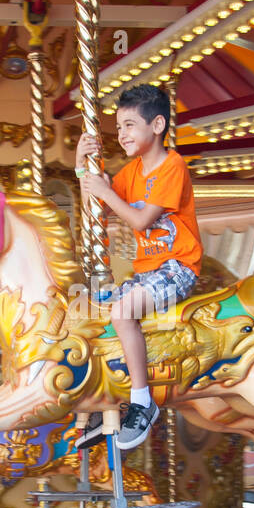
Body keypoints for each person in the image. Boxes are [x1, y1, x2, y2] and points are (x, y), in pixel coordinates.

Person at [76, 83, 202, 451]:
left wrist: (105, 190)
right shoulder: (130, 173)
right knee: (92, 309)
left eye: (129, 125)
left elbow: (141, 220)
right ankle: (104, 397)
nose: (121, 135)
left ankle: (143, 402)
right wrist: (80, 164)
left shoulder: (171, 166)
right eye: (118, 128)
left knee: (122, 310)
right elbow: (94, 205)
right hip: (147, 271)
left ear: (157, 124)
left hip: (178, 266)